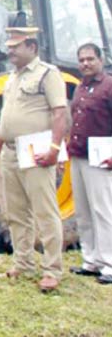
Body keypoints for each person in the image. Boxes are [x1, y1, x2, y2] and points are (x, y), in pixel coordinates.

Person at [0, 26, 67, 293]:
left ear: (31, 47)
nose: (10, 51)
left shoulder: (48, 74)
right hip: (10, 150)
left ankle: (52, 269)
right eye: (9, 47)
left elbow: (59, 113)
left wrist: (55, 148)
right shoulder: (12, 77)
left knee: (44, 210)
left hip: (37, 148)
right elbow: (5, 117)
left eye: (16, 47)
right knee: (15, 212)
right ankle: (23, 263)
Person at [66, 42, 112, 285]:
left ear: (100, 60)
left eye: (90, 59)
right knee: (83, 211)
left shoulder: (109, 86)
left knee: (103, 211)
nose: (85, 63)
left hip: (101, 157)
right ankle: (90, 260)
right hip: (78, 154)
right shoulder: (80, 88)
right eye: (82, 60)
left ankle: (109, 264)